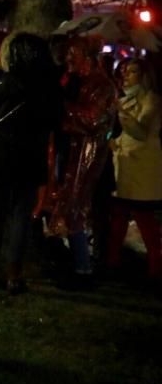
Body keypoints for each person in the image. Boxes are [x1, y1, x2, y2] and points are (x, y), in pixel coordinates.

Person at [0, 33, 62, 294]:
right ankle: (15, 271)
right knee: (21, 217)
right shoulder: (50, 86)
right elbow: (56, 122)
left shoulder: (8, 82)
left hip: (1, 154)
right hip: (31, 156)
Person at [49, 36, 117, 289]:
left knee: (78, 208)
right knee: (68, 206)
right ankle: (77, 263)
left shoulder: (101, 85)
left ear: (87, 57)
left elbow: (92, 118)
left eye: (73, 55)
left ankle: (84, 268)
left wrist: (62, 107)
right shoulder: (80, 82)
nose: (68, 59)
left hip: (88, 157)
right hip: (72, 155)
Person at [107, 59, 162, 283]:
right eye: (124, 71)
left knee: (143, 217)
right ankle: (113, 262)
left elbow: (140, 132)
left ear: (144, 75)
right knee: (119, 216)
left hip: (142, 168)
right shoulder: (123, 98)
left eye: (132, 71)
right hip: (125, 165)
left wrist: (121, 112)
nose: (126, 75)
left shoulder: (152, 100)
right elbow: (122, 135)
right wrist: (113, 142)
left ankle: (155, 267)